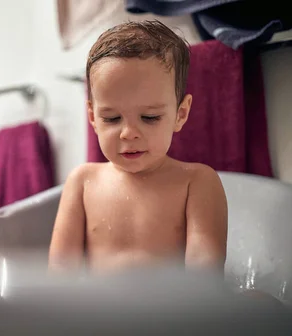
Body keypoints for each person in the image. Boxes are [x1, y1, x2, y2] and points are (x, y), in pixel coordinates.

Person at [49, 20, 228, 273]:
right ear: (92, 117)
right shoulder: (82, 182)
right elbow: (59, 278)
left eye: (149, 117)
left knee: (260, 302)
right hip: (98, 312)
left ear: (181, 114)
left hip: (174, 311)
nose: (128, 133)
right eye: (111, 118)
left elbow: (205, 281)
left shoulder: (196, 183)